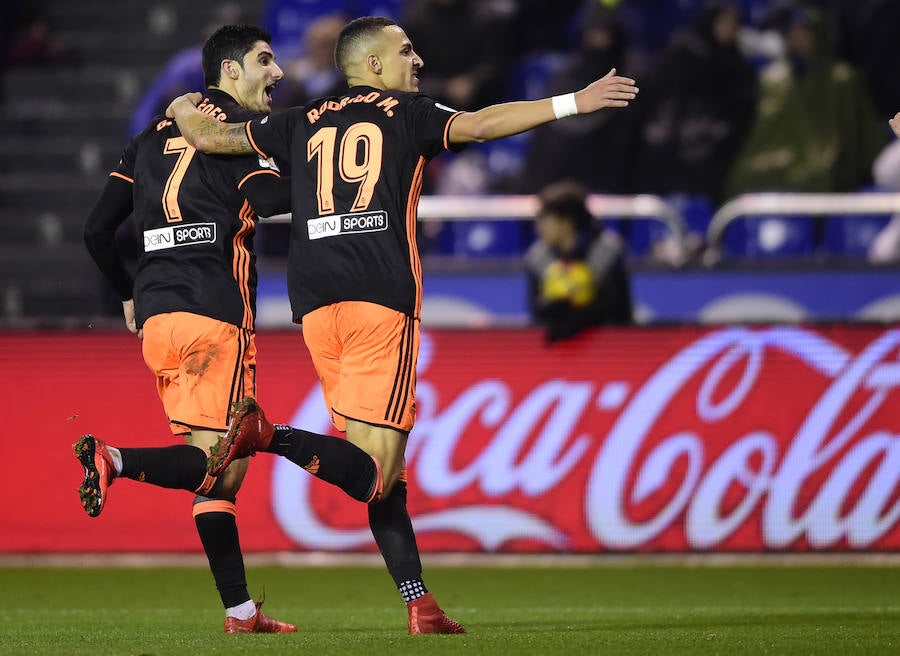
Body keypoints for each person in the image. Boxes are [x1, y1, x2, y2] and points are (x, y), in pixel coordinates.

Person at [166, 15, 638, 634]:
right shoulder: (405, 111)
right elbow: (483, 125)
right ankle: (267, 433)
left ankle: (421, 605)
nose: (417, 61)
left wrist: (181, 104)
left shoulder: (297, 120)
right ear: (374, 65)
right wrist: (573, 101)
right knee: (378, 471)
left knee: (385, 476)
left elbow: (210, 137)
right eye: (407, 51)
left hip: (310, 304)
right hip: (379, 298)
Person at [78, 23, 384, 635]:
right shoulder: (233, 139)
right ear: (228, 72)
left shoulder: (147, 139)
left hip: (159, 317)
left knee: (220, 472)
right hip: (216, 313)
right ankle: (115, 457)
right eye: (264, 62)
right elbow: (271, 199)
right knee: (223, 458)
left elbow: (95, 232)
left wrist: (128, 295)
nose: (277, 73)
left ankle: (241, 613)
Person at [525, 181, 633, 342]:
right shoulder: (538, 257)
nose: (540, 227)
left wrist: (581, 315)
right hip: (555, 351)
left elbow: (618, 309)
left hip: (606, 347)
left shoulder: (607, 251)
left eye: (546, 220)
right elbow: (536, 312)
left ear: (567, 222)